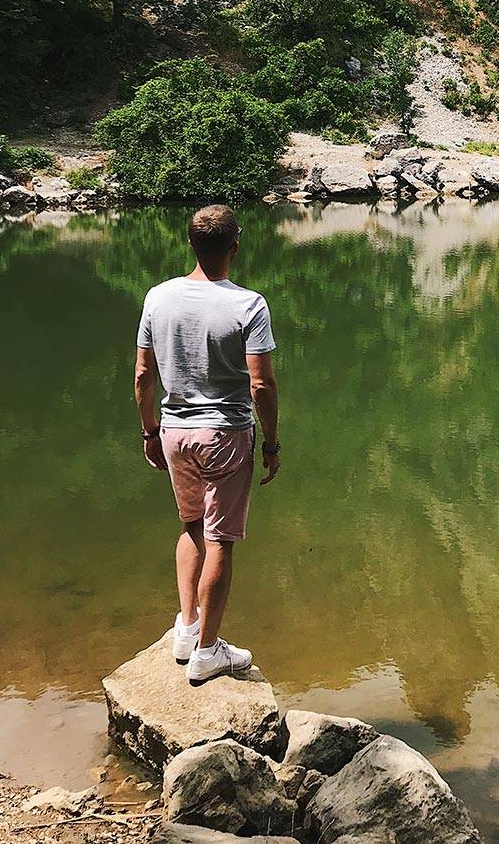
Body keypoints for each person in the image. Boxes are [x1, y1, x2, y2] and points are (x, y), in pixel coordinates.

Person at [134, 204, 281, 686]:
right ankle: (207, 652)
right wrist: (273, 444)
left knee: (191, 525)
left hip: (175, 432)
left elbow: (142, 374)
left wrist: (149, 430)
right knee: (221, 539)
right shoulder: (248, 305)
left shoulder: (158, 297)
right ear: (235, 247)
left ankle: (186, 628)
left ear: (191, 245)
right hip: (226, 434)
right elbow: (261, 385)